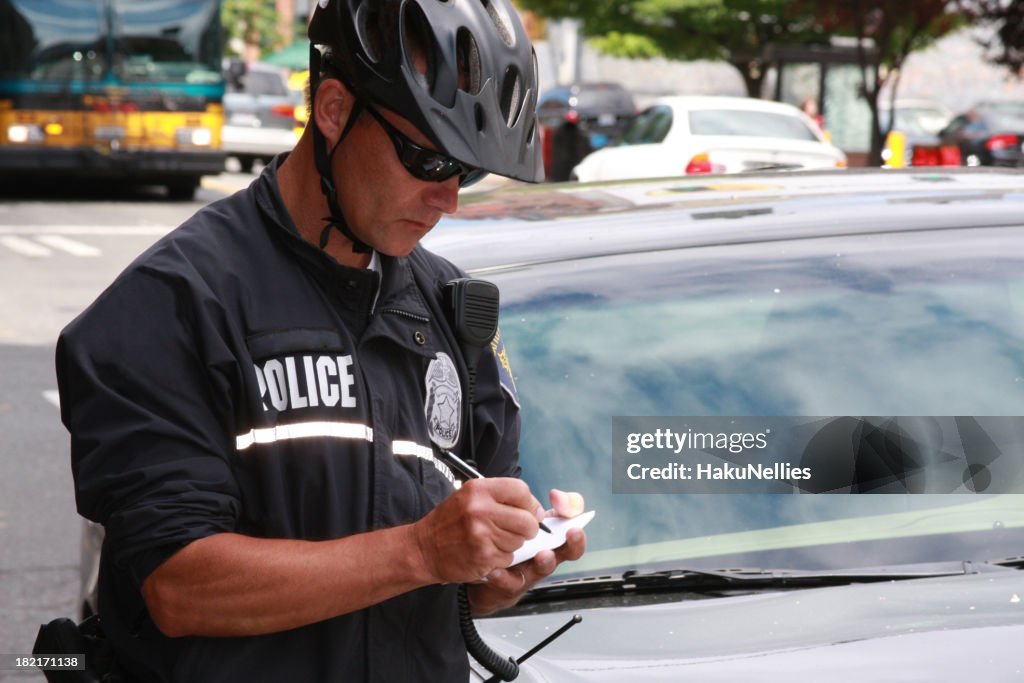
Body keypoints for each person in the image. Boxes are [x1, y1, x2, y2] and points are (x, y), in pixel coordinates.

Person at [55, 1, 586, 680]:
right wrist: (422, 549)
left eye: (468, 170)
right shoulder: (173, 305)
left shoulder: (455, 313)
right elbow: (177, 585)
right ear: (333, 110)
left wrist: (502, 562)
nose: (448, 198)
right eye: (428, 158)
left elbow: (460, 577)